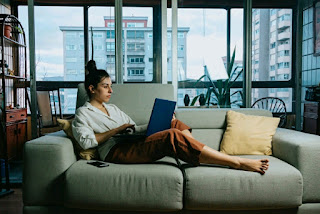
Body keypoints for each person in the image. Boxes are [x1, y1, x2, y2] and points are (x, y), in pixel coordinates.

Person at [72, 61, 269, 175]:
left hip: (131, 141)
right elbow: (85, 140)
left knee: (173, 123)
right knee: (172, 136)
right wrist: (116, 130)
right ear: (92, 89)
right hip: (115, 152)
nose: (111, 90)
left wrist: (158, 122)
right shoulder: (83, 113)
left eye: (110, 85)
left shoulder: (113, 108)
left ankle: (195, 151)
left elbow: (132, 128)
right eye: (106, 86)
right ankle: (235, 162)